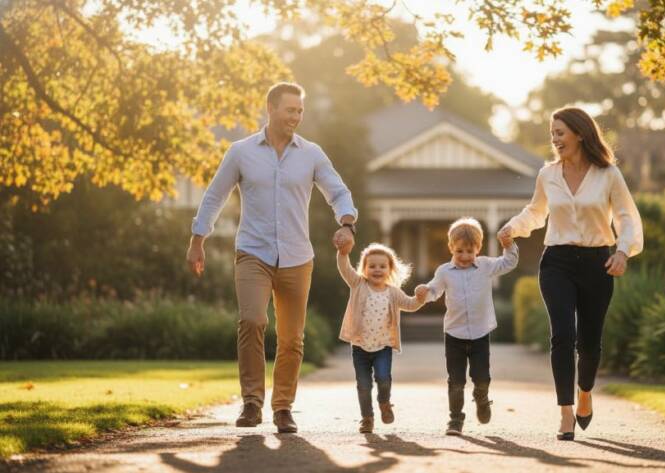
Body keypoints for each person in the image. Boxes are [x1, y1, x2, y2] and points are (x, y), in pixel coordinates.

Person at [186, 82, 357, 434]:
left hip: (297, 257)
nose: (295, 116)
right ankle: (251, 402)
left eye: (299, 111)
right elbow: (214, 195)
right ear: (271, 108)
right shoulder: (241, 151)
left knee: (292, 338)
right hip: (253, 252)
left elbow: (337, 190)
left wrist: (348, 223)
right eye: (289, 110)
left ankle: (282, 408)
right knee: (251, 321)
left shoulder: (311, 154)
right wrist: (197, 238)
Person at [498, 107, 643, 441]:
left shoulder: (608, 174)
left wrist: (622, 251)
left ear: (580, 133)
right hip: (557, 263)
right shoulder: (547, 174)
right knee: (562, 335)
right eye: (552, 133)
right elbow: (535, 212)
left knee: (589, 341)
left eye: (560, 132)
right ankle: (565, 413)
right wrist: (512, 227)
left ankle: (585, 394)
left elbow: (626, 217)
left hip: (597, 263)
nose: (555, 139)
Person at [416, 217, 519, 436]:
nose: (464, 257)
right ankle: (455, 420)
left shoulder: (485, 266)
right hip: (454, 334)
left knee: (481, 377)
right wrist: (424, 292)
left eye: (469, 251)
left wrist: (509, 246)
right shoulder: (444, 271)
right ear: (451, 247)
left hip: (480, 333)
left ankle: (482, 399)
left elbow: (508, 263)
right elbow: (434, 290)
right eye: (459, 251)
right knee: (456, 381)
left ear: (478, 249)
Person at [336, 240, 427, 433]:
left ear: (390, 269)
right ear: (364, 268)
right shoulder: (358, 284)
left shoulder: (393, 292)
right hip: (360, 346)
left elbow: (410, 304)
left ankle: (384, 403)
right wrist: (343, 253)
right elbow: (345, 269)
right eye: (372, 266)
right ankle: (367, 418)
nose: (377, 270)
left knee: (383, 379)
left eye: (382, 266)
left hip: (383, 347)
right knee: (363, 385)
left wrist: (420, 298)